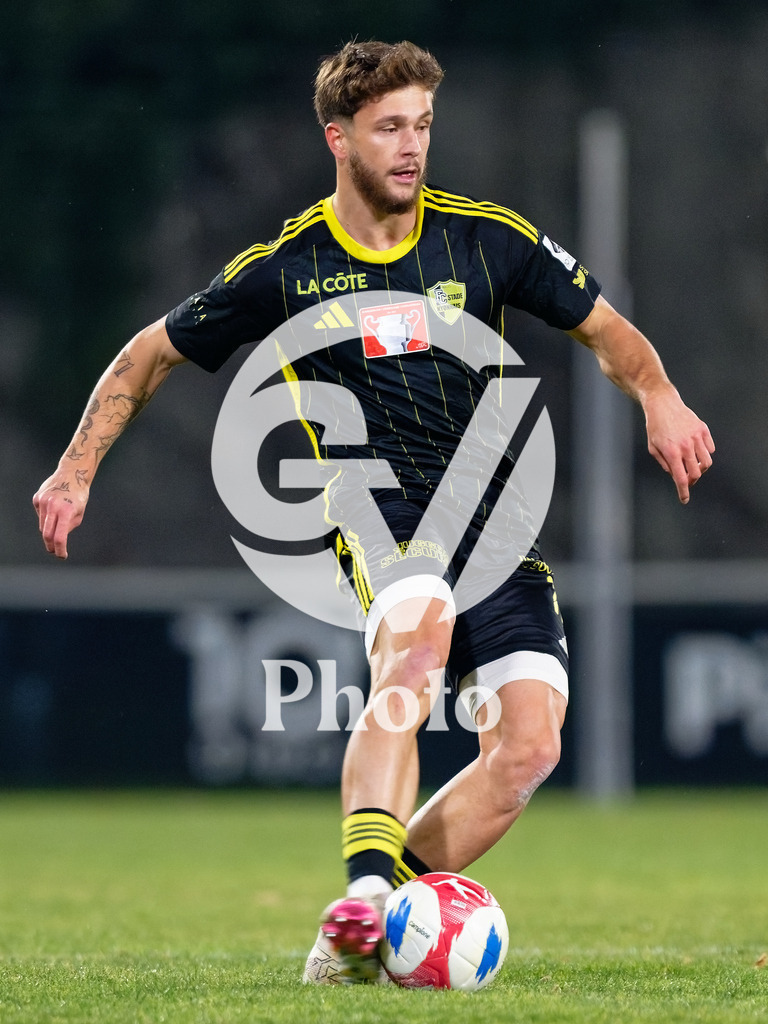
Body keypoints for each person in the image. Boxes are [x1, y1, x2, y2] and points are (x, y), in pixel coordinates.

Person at [33, 40, 715, 984]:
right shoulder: (291, 266)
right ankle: (363, 891)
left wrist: (660, 395)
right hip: (382, 513)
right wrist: (74, 471)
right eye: (390, 127)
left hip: (497, 527)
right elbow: (146, 356)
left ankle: (367, 926)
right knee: (419, 645)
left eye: (424, 126)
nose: (412, 147)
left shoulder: (484, 238)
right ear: (338, 136)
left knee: (527, 750)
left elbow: (607, 330)